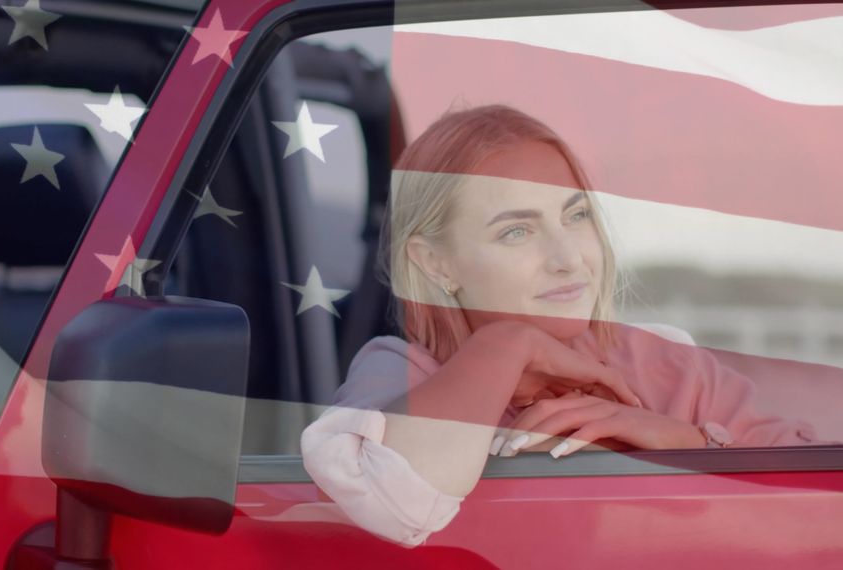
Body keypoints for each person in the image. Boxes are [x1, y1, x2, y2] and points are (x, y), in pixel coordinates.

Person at [300, 105, 833, 547]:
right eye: (516, 232)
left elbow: (819, 508)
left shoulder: (669, 362)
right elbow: (395, 504)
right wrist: (506, 344)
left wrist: (683, 441)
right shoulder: (401, 372)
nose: (568, 258)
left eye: (576, 217)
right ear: (436, 263)